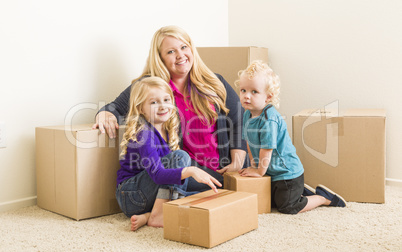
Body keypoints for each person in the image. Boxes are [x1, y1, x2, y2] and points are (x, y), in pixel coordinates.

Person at [92, 25, 247, 191]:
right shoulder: (151, 87)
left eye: (183, 47)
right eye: (171, 52)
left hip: (221, 168)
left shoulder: (215, 82)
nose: (180, 55)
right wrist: (105, 114)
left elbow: (239, 121)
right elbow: (115, 107)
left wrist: (236, 162)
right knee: (209, 190)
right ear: (160, 58)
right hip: (183, 169)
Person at [237, 60, 346, 214]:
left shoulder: (269, 119)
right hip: (270, 171)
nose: (246, 96)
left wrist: (259, 172)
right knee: (270, 202)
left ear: (268, 97)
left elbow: (266, 150)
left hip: (286, 173)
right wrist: (254, 166)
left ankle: (323, 198)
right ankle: (301, 191)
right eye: (243, 90)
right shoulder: (248, 114)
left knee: (288, 207)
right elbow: (249, 142)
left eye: (254, 92)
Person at [116, 76, 222, 231]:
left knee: (207, 190)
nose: (163, 106)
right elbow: (158, 175)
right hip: (131, 195)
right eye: (154, 102)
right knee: (181, 157)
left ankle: (149, 215)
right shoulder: (144, 134)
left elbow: (170, 180)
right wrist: (191, 170)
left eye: (166, 100)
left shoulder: (167, 128)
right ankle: (158, 215)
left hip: (149, 195)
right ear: (140, 108)